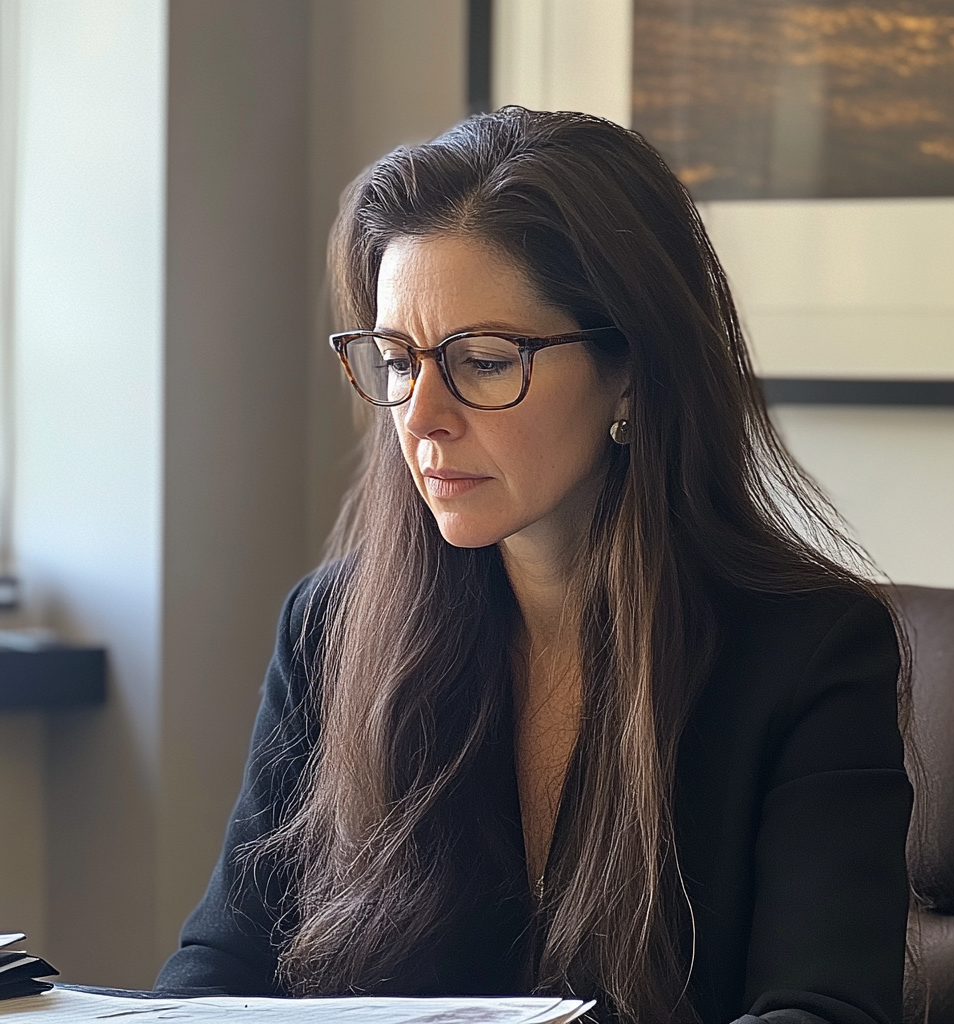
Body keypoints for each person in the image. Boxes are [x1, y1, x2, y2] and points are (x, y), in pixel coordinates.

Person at [156, 107, 914, 1024]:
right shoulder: (332, 627)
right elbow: (221, 966)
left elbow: (823, 1011)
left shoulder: (810, 655)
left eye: (481, 361)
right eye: (397, 360)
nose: (421, 416)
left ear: (631, 371)